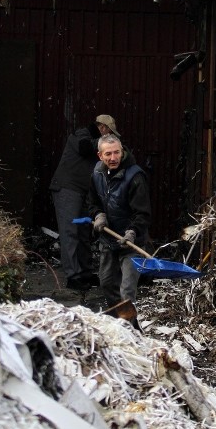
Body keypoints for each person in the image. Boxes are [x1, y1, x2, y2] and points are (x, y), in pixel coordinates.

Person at [50, 115, 119, 290]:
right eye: (109, 133)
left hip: (82, 192)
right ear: (102, 127)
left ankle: (85, 274)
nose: (109, 138)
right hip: (67, 190)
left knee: (83, 231)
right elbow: (84, 147)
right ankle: (73, 276)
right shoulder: (81, 135)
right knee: (70, 232)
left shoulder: (94, 143)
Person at [86, 134, 151, 315]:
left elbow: (143, 213)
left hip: (131, 244)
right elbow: (92, 202)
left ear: (122, 152)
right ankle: (118, 321)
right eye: (108, 154)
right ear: (100, 155)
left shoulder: (135, 176)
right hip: (108, 240)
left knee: (127, 291)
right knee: (106, 283)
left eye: (116, 153)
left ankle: (129, 329)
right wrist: (98, 215)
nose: (113, 158)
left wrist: (133, 231)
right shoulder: (97, 174)